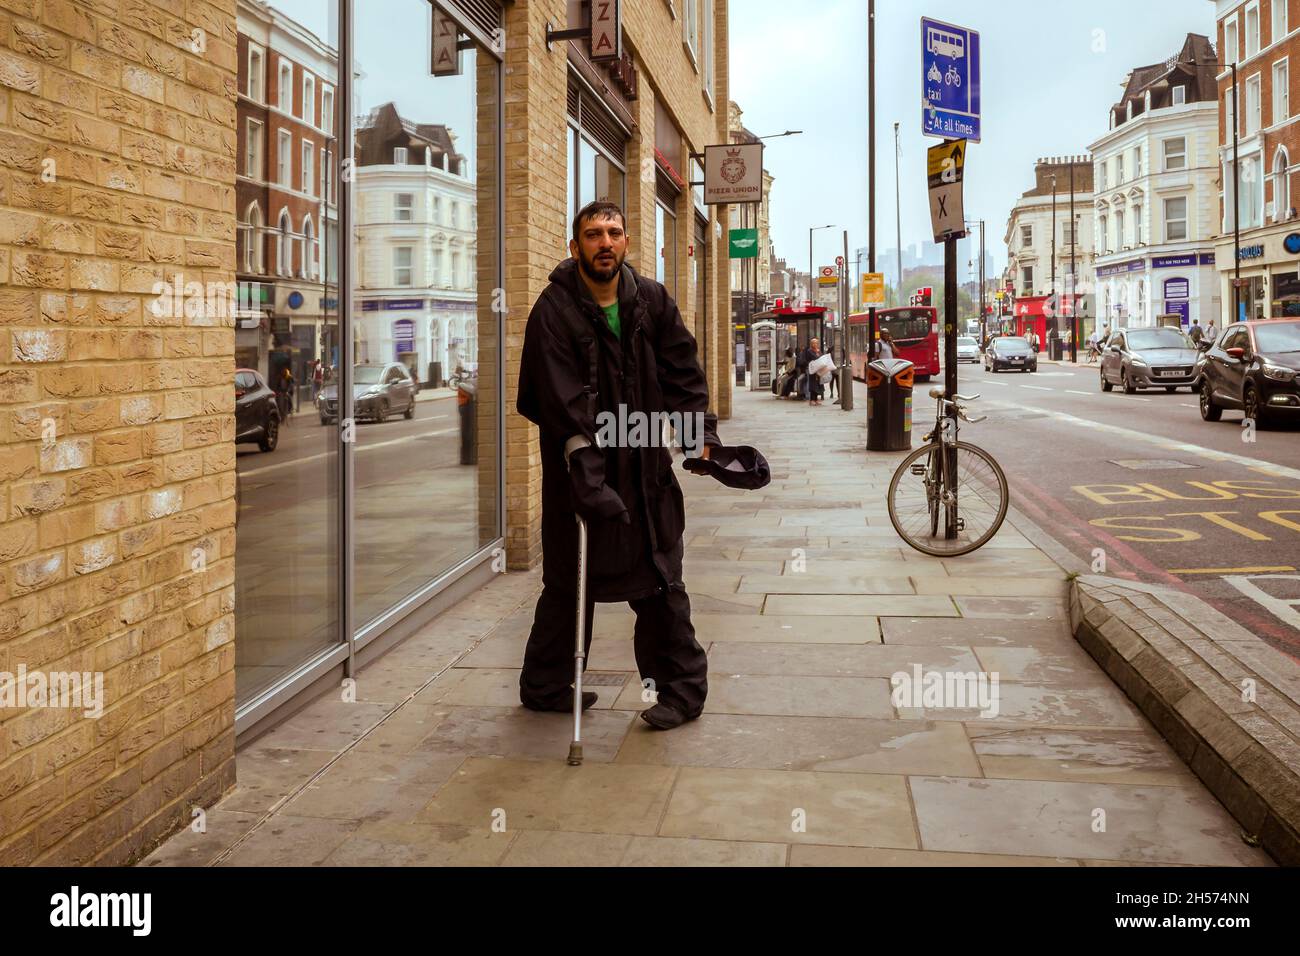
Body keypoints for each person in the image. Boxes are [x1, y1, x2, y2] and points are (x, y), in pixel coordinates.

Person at [515, 199, 723, 731]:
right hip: (578, 474)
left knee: (659, 579)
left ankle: (679, 693)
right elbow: (561, 405)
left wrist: (699, 437)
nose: (604, 242)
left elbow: (683, 373)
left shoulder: (651, 300)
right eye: (592, 234)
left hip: (645, 468)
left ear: (627, 243)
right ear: (575, 246)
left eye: (613, 233)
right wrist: (588, 478)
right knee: (569, 580)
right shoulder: (553, 310)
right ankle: (546, 685)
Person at [803, 338, 825, 406]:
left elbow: (821, 357)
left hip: (818, 370)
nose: (815, 344)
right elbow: (815, 358)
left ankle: (816, 399)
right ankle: (812, 400)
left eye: (816, 343)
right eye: (814, 343)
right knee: (813, 385)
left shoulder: (818, 351)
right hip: (812, 370)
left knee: (818, 385)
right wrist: (817, 353)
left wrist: (818, 353)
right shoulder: (809, 351)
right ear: (811, 344)